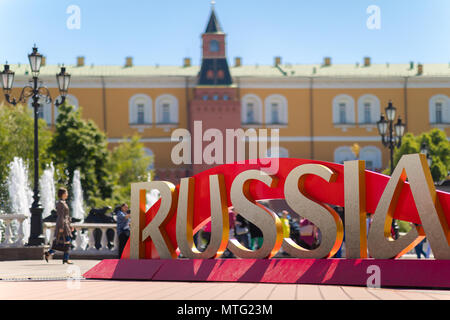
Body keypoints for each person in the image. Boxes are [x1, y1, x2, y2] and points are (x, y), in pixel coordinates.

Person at [45, 187, 74, 264]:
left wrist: (70, 225)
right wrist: (61, 227)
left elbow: (67, 216)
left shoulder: (63, 202)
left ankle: (49, 253)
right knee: (66, 241)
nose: (67, 194)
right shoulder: (60, 203)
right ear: (63, 194)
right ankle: (65, 258)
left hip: (65, 225)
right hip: (62, 225)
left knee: (61, 241)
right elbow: (61, 216)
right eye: (66, 193)